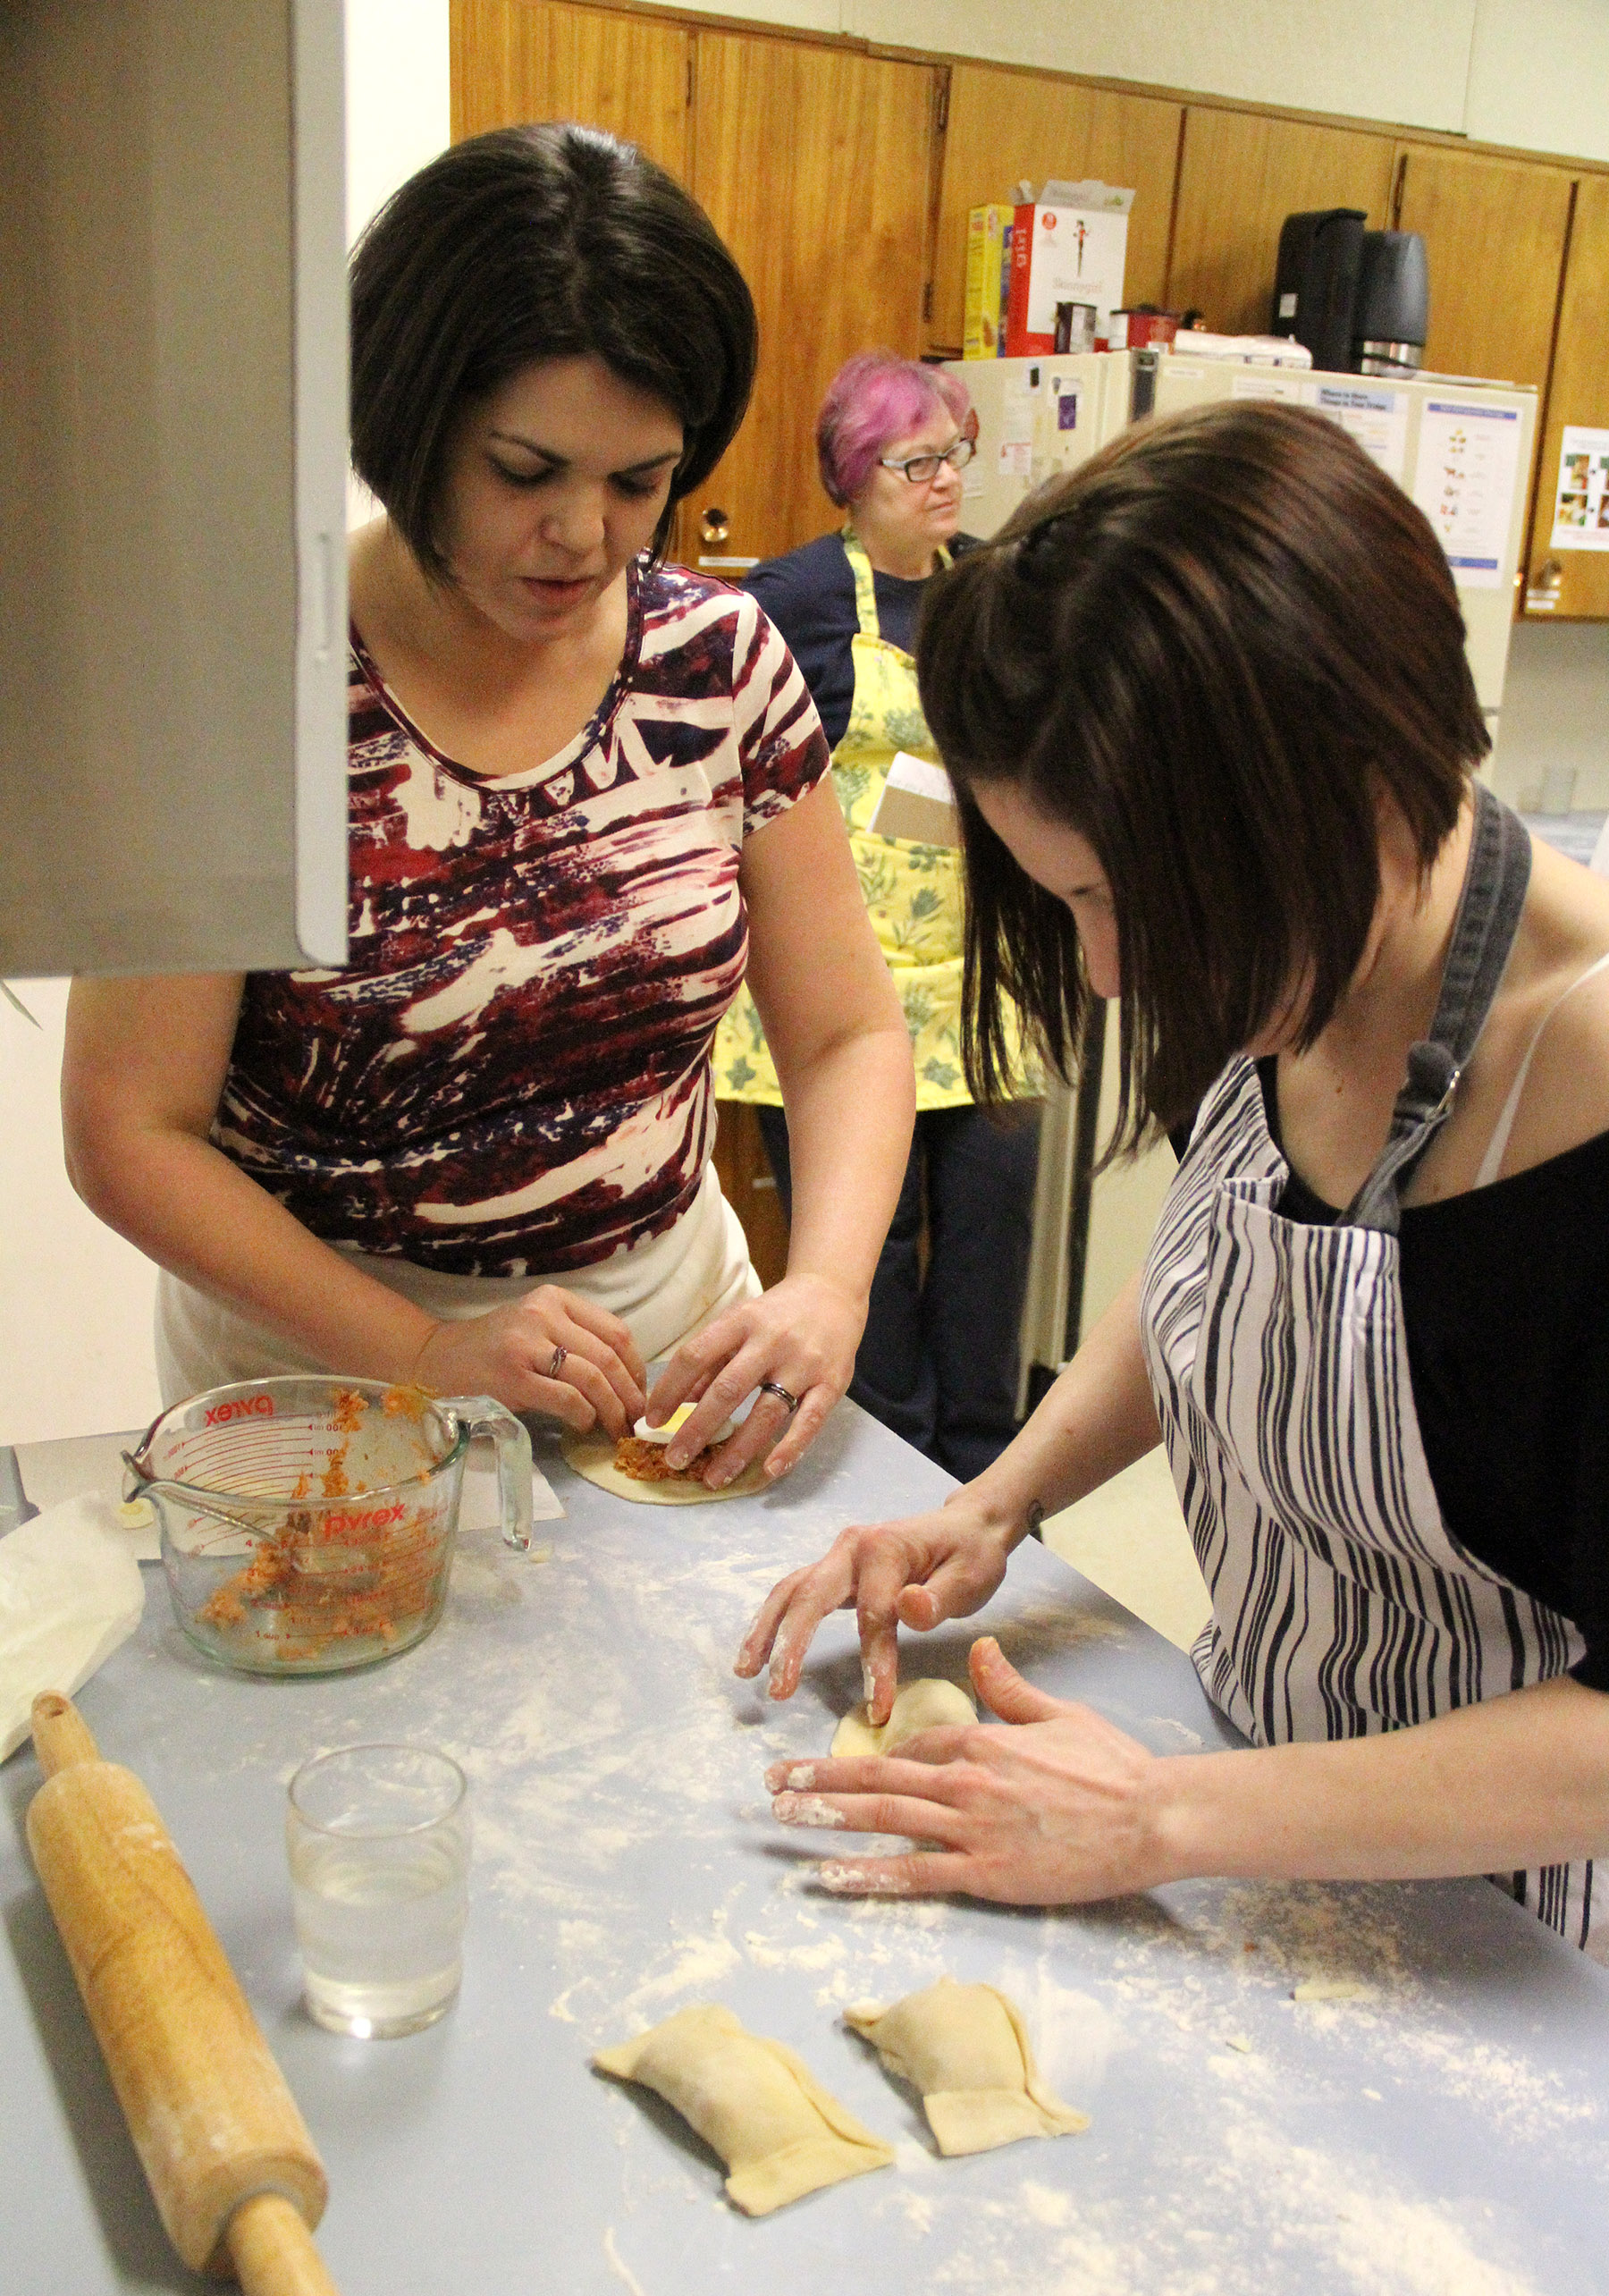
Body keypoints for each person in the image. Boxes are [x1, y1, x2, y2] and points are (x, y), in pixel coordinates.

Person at [737, 401, 1609, 1953]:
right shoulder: (1300, 950)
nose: (1112, 972)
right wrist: (1000, 1502)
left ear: (1353, 783)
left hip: (1527, 1944)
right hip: (1266, 1821)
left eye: (1130, 898)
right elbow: (1228, 1278)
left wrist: (1162, 1822)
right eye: (1071, 901)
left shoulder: (1586, 1081)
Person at [62, 124, 914, 1490]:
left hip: (665, 1352)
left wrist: (827, 1289)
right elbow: (129, 1130)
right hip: (322, 1378)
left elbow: (847, 1032)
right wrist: (423, 1350)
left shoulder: (716, 664)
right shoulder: (243, 679)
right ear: (412, 428)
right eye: (526, 472)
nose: (586, 535)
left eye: (639, 482)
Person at [712, 350, 1040, 1483]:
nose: (946, 480)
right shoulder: (792, 602)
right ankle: (887, 1496)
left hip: (983, 989)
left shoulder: (998, 586)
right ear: (855, 477)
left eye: (955, 454)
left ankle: (993, 1504)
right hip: (844, 998)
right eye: (916, 462)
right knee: (873, 1281)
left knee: (990, 1262)